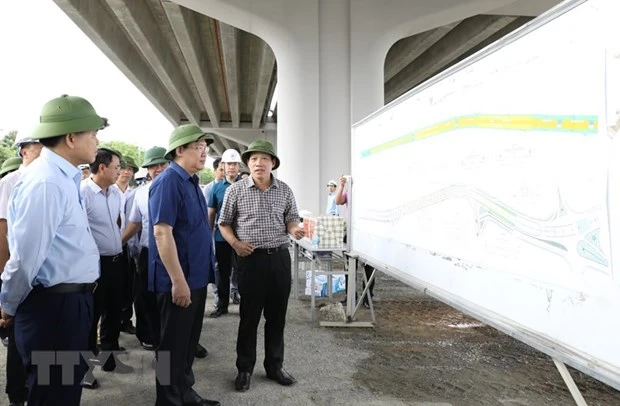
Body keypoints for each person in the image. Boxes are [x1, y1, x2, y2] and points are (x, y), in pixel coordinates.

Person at [0, 94, 106, 405]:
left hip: (68, 306)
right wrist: (8, 305)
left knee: (63, 393)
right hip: (53, 310)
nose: (97, 140)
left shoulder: (63, 177)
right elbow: (25, 259)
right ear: (71, 138)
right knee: (53, 397)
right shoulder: (46, 182)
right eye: (93, 133)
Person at [218, 139, 305, 392]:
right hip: (250, 260)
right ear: (248, 163)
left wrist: (295, 229)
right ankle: (244, 369)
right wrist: (235, 244)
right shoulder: (235, 191)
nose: (259, 163)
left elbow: (290, 220)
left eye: (264, 159)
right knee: (249, 317)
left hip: (279, 258)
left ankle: (274, 366)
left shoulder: (285, 190)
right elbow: (224, 223)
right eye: (254, 159)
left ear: (273, 163)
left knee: (277, 316)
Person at [149, 124, 219, 406]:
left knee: (187, 344)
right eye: (198, 148)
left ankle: (185, 393)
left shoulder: (191, 182)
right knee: (169, 349)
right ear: (179, 150)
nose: (204, 154)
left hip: (196, 278)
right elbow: (162, 232)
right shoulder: (167, 182)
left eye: (206, 149)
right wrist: (178, 281)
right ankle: (167, 401)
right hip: (178, 282)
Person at [81, 147, 129, 383]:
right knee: (91, 317)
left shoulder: (115, 193)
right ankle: (85, 370)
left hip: (116, 262)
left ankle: (109, 355)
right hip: (94, 264)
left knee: (113, 310)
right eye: (116, 166)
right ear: (102, 168)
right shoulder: (83, 193)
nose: (119, 171)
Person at [0, 134, 42, 406]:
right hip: (17, 271)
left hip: (41, 277)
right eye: (40, 145)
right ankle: (17, 395)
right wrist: (4, 277)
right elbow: (2, 230)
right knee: (17, 339)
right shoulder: (11, 181)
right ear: (24, 150)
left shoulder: (49, 178)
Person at [208, 148, 242, 318]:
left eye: (235, 164)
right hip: (222, 238)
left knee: (243, 271)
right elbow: (211, 212)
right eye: (229, 164)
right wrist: (208, 235)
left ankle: (246, 304)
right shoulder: (216, 188)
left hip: (243, 238)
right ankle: (222, 305)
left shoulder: (247, 186)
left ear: (239, 166)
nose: (231, 167)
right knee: (223, 272)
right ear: (223, 166)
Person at [335, 175, 375, 308]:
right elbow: (338, 200)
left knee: (369, 267)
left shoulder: (372, 194)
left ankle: (368, 296)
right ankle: (350, 296)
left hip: (369, 234)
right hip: (351, 234)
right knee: (349, 267)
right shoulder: (350, 191)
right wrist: (341, 186)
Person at [114, 156, 140, 335]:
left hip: (129, 246)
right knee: (114, 286)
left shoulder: (134, 193)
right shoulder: (110, 191)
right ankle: (113, 324)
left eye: (130, 169)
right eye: (123, 168)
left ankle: (126, 319)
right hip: (111, 245)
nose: (127, 172)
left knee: (129, 285)